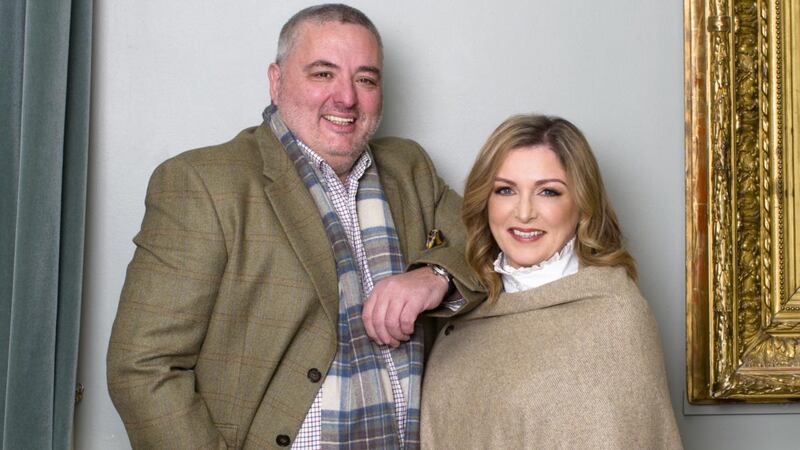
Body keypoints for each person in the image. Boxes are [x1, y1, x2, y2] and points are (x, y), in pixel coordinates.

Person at [106, 4, 481, 449]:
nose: (346, 97)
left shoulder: (410, 167)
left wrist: (434, 274)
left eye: (365, 79)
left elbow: (490, 240)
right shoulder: (205, 183)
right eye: (323, 74)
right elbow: (142, 366)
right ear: (276, 80)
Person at [420, 114, 682, 449]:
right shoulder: (465, 309)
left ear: (582, 205)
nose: (524, 212)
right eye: (505, 190)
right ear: (486, 201)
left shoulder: (616, 318)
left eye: (548, 191)